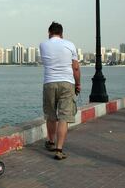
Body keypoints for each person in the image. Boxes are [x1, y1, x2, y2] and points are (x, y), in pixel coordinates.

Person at [39, 22, 81, 160]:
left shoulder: (43, 45)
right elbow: (75, 68)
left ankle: (51, 142)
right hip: (67, 83)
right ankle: (59, 149)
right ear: (62, 34)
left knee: (51, 115)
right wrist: (78, 84)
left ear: (49, 32)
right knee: (64, 117)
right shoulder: (70, 45)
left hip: (49, 83)